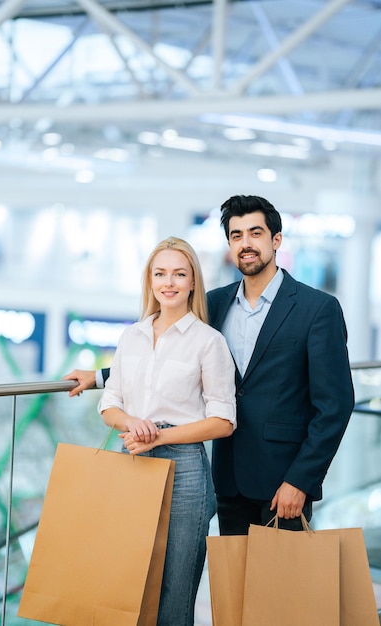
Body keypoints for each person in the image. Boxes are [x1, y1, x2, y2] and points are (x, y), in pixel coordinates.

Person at [64, 194, 355, 536]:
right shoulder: (215, 304)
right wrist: (100, 376)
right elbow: (177, 359)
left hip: (283, 481)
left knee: (280, 587)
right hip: (228, 478)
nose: (245, 244)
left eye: (255, 233)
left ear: (276, 240)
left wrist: (301, 480)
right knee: (231, 586)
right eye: (236, 236)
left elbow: (335, 405)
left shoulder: (316, 309)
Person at [96, 236, 236, 626]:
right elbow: (109, 404)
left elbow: (223, 421)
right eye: (160, 273)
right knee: (130, 582)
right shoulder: (132, 337)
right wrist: (131, 423)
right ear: (150, 280)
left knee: (175, 591)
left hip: (185, 470)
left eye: (179, 274)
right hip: (133, 461)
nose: (168, 282)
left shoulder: (209, 342)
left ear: (193, 282)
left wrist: (157, 435)